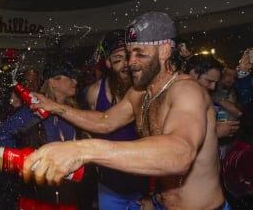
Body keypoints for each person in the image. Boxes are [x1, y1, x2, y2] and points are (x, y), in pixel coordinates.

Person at [22, 11, 229, 210]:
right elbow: (104, 121)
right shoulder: (139, 93)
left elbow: (181, 153)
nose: (131, 62)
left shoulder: (187, 91)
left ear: (165, 51)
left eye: (140, 54)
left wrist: (83, 150)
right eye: (130, 54)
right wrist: (55, 107)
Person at [0, 60, 84, 210]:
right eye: (69, 77)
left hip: (67, 194)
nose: (75, 81)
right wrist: (21, 162)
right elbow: (1, 135)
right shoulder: (35, 108)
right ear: (53, 82)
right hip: (38, 198)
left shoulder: (72, 110)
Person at [85, 30, 149, 209]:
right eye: (117, 59)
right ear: (108, 63)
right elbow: (94, 134)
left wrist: (153, 194)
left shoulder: (147, 90)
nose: (125, 65)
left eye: (128, 57)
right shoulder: (95, 93)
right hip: (110, 186)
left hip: (143, 186)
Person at [184, 54, 240, 153]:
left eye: (215, 83)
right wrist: (215, 132)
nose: (213, 87)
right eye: (209, 81)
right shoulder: (182, 97)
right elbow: (183, 137)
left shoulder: (200, 96)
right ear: (193, 73)